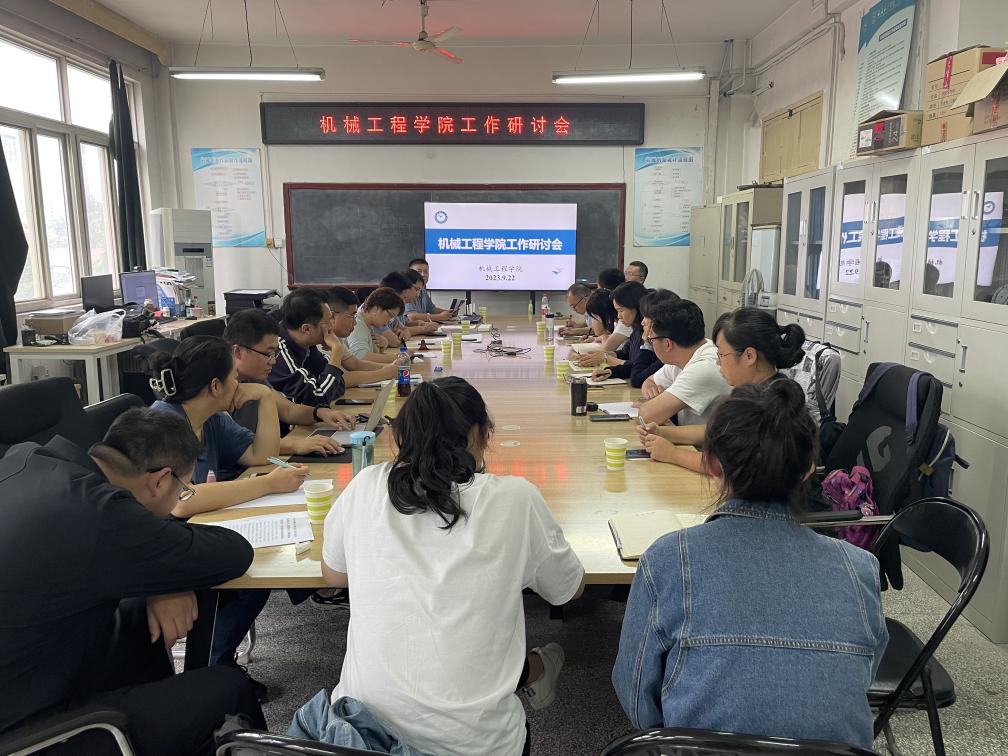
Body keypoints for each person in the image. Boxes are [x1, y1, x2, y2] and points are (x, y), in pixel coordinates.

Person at [297, 377, 584, 756]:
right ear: (483, 436)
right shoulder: (516, 498)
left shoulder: (365, 485)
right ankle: (534, 669)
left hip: (361, 741)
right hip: (478, 747)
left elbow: (334, 575)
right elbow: (567, 589)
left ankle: (531, 670)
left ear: (399, 439)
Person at [613, 380, 887, 749]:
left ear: (712, 464)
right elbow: (861, 676)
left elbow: (636, 697)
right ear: (808, 469)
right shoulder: (861, 569)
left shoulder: (666, 559)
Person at [0, 408, 266, 755]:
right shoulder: (100, 515)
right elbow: (235, 552)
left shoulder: (29, 458)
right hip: (25, 731)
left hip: (32, 667)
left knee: (138, 619)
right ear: (160, 481)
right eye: (183, 491)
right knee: (229, 690)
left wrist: (164, 576)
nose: (180, 499)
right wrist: (172, 567)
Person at [148, 336, 308, 669]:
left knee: (261, 563)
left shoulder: (212, 418)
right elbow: (182, 502)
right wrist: (268, 484)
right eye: (234, 377)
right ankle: (213, 665)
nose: (240, 384)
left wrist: (265, 397)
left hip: (199, 525)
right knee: (252, 569)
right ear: (216, 386)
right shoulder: (163, 423)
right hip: (159, 545)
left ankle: (218, 660)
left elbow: (261, 454)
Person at [639, 308, 807, 471]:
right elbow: (717, 430)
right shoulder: (757, 390)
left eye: (721, 354)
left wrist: (672, 454)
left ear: (749, 356)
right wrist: (663, 432)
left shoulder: (769, 403)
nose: (717, 362)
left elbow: (725, 464)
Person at [224, 308, 356, 457]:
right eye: (267, 353)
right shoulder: (217, 388)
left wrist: (320, 413)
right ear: (237, 352)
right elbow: (233, 444)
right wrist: (295, 445)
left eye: (275, 353)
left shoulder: (254, 379)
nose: (273, 361)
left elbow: (288, 410)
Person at [636, 299, 731, 426]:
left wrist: (653, 404)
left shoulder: (704, 368)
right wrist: (652, 395)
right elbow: (649, 382)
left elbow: (646, 416)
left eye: (651, 339)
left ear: (667, 344)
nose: (651, 343)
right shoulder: (685, 354)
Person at [269, 288, 347, 407]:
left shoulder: (307, 346)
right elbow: (318, 399)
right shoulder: (278, 350)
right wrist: (337, 350)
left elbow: (338, 386)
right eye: (328, 322)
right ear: (306, 329)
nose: (332, 326)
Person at [322, 286, 402, 386]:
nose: (355, 323)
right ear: (332, 317)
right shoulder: (319, 342)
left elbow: (355, 364)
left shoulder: (336, 338)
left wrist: (390, 367)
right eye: (352, 316)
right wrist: (384, 373)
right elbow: (341, 379)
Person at [588, 282, 662, 388]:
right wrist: (611, 371)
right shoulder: (637, 330)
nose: (619, 316)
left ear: (636, 306)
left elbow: (638, 371)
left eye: (621, 310)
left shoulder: (653, 337)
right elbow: (626, 353)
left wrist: (606, 358)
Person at [346, 287, 406, 364]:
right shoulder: (357, 324)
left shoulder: (369, 325)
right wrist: (399, 357)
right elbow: (361, 357)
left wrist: (383, 346)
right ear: (375, 309)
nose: (389, 321)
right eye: (390, 315)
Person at [379, 271, 438, 341]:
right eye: (416, 289)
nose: (418, 294)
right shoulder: (383, 311)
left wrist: (419, 323)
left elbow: (402, 326)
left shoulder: (396, 307)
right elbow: (394, 337)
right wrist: (424, 329)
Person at [406, 257, 454, 323]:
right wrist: (441, 317)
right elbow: (411, 316)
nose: (423, 275)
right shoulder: (406, 290)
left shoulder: (423, 290)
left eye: (426, 271)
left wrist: (448, 313)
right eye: (419, 271)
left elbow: (432, 309)